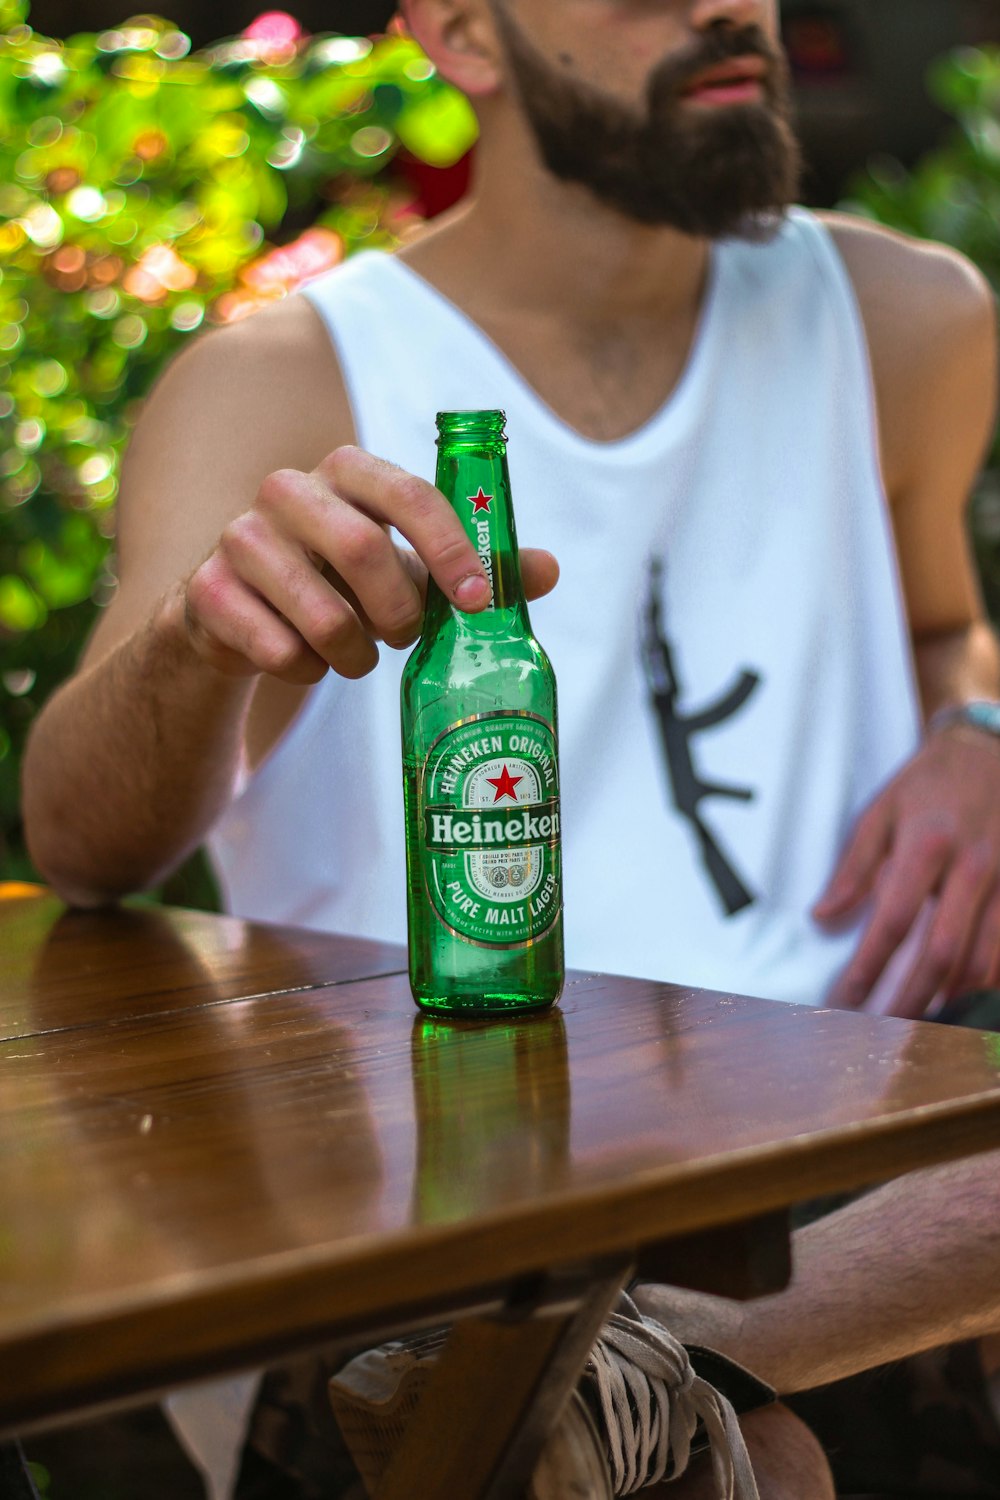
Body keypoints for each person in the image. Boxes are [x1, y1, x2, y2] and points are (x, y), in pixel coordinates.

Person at [20, 0, 1000, 1494]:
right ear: (463, 34)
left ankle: (658, 1370)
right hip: (474, 1184)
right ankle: (637, 1379)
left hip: (856, 1142)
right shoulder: (288, 383)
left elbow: (940, 624)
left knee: (717, 1422)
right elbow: (83, 847)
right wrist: (198, 642)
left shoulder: (906, 318)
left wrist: (978, 724)